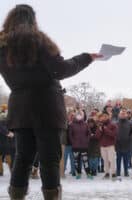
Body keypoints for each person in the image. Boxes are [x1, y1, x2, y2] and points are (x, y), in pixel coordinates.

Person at [0, 4, 101, 200]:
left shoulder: (2, 46)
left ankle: (16, 197)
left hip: (20, 109)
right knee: (49, 160)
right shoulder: (38, 41)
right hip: (46, 107)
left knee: (22, 158)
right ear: (32, 20)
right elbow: (60, 70)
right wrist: (86, 57)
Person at [69, 111, 92, 180]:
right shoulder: (72, 125)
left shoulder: (85, 124)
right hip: (75, 146)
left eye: (80, 115)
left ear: (82, 116)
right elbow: (70, 135)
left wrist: (87, 141)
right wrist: (73, 142)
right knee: (76, 161)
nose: (79, 116)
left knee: (85, 160)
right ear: (76, 116)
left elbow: (89, 133)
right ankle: (78, 173)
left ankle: (88, 173)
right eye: (78, 115)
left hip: (84, 146)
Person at [95, 112, 117, 180]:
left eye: (105, 116)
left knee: (112, 159)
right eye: (102, 116)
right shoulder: (99, 125)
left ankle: (113, 173)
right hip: (102, 146)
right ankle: (106, 173)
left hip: (110, 145)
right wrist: (100, 130)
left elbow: (113, 134)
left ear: (108, 116)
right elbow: (97, 136)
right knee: (105, 160)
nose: (104, 117)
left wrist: (105, 129)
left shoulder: (113, 125)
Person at [116, 108, 132, 177]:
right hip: (118, 144)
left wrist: (130, 138)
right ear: (119, 115)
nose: (123, 115)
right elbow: (114, 133)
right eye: (121, 114)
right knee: (118, 160)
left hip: (127, 144)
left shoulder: (130, 123)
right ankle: (118, 171)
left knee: (126, 160)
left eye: (124, 114)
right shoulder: (116, 123)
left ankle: (126, 171)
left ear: (126, 115)